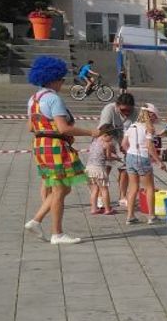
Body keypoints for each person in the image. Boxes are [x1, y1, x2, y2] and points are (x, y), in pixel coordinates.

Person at [22, 55, 88, 245]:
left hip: (40, 145)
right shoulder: (53, 99)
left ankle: (36, 221)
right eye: (61, 79)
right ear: (53, 79)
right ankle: (56, 233)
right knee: (60, 189)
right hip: (55, 146)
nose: (62, 83)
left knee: (63, 187)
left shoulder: (33, 99)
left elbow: (30, 127)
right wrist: (91, 132)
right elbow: (63, 128)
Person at [121, 104, 163, 225]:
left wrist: (131, 152)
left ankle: (130, 216)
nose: (155, 119)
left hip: (130, 157)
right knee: (149, 188)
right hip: (142, 158)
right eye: (155, 117)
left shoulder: (132, 126)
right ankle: (152, 216)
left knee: (133, 187)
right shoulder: (148, 128)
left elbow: (124, 144)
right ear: (151, 115)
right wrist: (159, 161)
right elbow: (150, 147)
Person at [95, 92, 136, 211]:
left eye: (129, 110)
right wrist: (110, 146)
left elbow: (135, 129)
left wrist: (127, 144)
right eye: (123, 110)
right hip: (107, 140)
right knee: (105, 169)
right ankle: (100, 196)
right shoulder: (109, 109)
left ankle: (122, 196)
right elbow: (103, 129)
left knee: (124, 169)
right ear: (117, 106)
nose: (126, 113)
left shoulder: (135, 112)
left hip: (124, 142)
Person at [85, 126, 119, 214]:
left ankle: (93, 209)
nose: (111, 140)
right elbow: (108, 157)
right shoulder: (106, 144)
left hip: (89, 168)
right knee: (104, 189)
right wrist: (117, 158)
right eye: (111, 138)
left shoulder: (94, 142)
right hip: (99, 169)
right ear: (106, 135)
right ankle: (107, 209)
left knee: (94, 190)